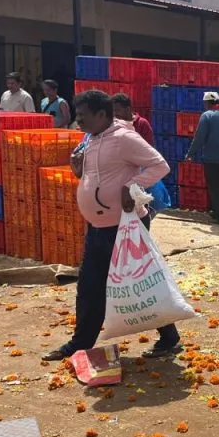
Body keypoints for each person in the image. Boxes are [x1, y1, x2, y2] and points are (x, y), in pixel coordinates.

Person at [41, 90, 177, 361]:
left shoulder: (124, 138)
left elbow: (160, 166)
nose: (78, 120)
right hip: (98, 226)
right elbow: (95, 175)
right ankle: (81, 343)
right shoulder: (90, 138)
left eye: (83, 116)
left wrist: (132, 186)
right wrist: (78, 170)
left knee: (139, 284)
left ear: (102, 114)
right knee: (90, 286)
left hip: (124, 226)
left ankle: (169, 336)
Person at [185, 91, 219, 225]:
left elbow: (199, 138)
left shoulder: (206, 116)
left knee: (214, 188)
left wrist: (190, 154)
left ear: (207, 103)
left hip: (212, 159)